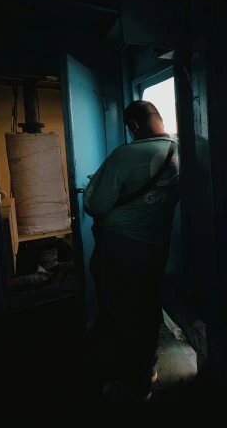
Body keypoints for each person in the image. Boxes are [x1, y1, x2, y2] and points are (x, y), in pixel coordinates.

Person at [83, 101, 179, 402]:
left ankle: (134, 387)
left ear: (134, 126)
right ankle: (146, 369)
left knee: (121, 314)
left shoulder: (124, 155)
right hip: (157, 246)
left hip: (119, 248)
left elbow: (94, 205)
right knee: (149, 308)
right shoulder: (180, 152)